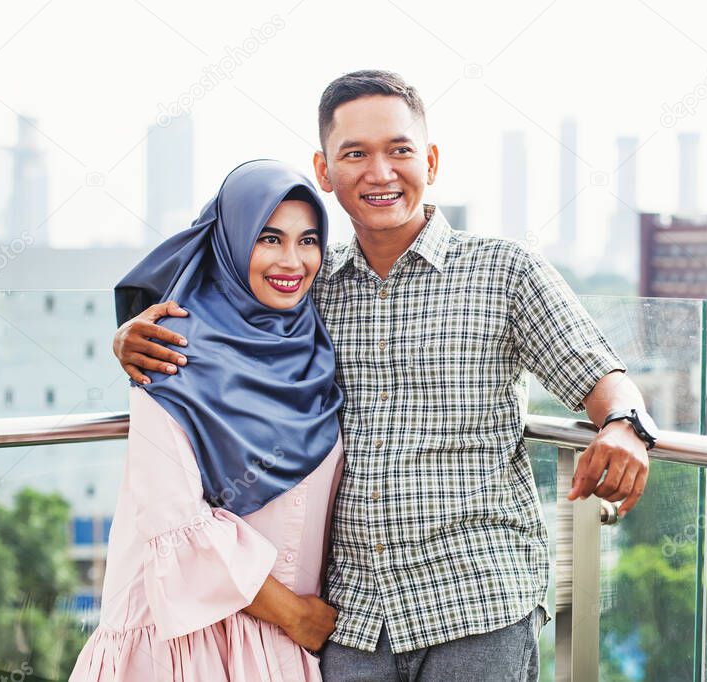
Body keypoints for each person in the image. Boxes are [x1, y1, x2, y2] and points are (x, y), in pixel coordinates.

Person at [113, 71, 655, 681]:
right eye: (356, 154)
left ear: (431, 160)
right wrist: (130, 336)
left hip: (476, 601)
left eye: (399, 150)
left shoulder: (506, 271)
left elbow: (599, 371)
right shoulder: (308, 288)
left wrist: (623, 425)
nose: (380, 172)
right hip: (351, 616)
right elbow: (223, 329)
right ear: (324, 171)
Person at [71, 160, 345, 680]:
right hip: (188, 646)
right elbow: (176, 524)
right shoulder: (170, 350)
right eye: (269, 238)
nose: (293, 260)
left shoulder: (315, 346)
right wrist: (297, 615)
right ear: (230, 242)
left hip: (279, 646)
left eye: (308, 240)